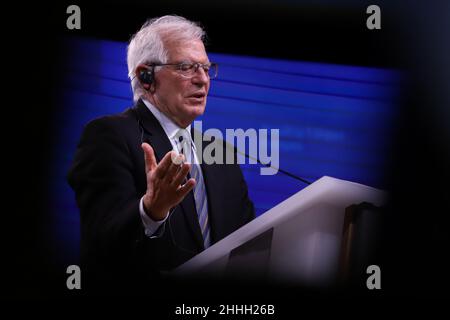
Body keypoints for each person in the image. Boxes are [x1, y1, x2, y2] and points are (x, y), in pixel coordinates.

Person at [67, 15, 255, 293]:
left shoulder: (222, 154)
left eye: (205, 68)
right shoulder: (109, 136)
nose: (203, 80)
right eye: (186, 67)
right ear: (146, 77)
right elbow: (101, 243)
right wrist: (150, 212)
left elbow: (250, 244)